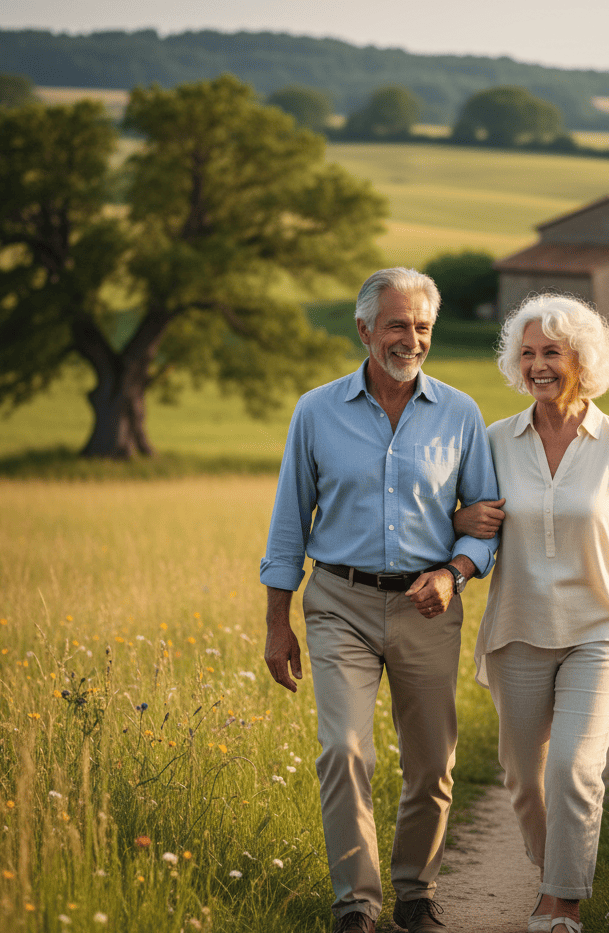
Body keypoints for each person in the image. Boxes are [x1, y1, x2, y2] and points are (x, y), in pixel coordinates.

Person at [261, 268, 500, 933]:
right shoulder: (315, 411)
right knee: (342, 748)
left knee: (431, 760)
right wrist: (277, 625)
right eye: (398, 324)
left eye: (422, 325)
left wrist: (454, 571)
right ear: (364, 329)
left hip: (429, 605)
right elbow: (288, 526)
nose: (412, 338)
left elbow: (485, 521)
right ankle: (356, 903)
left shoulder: (459, 413)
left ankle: (416, 891)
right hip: (339, 599)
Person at [454, 294, 609, 933]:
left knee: (574, 768)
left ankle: (562, 903)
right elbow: (464, 522)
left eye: (551, 352)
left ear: (581, 360)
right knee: (523, 775)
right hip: (518, 628)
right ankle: (554, 866)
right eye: (526, 354)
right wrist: (460, 520)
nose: (537, 365)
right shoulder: (495, 441)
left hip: (603, 631)